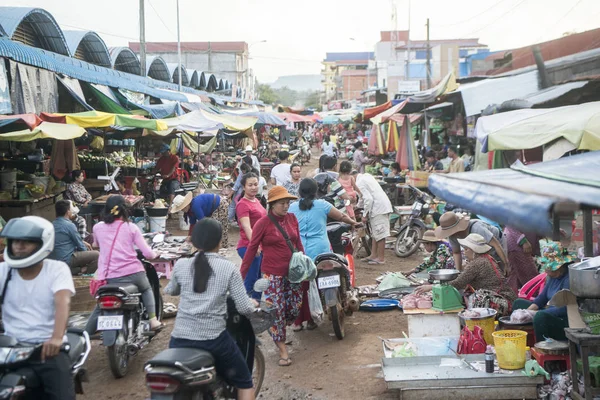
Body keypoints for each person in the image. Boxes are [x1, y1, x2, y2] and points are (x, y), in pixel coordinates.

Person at [165, 219, 257, 400]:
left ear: (193, 241)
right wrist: (253, 305)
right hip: (213, 340)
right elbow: (244, 307)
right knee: (245, 381)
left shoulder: (182, 265)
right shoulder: (228, 268)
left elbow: (171, 290)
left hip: (179, 340)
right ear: (219, 241)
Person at [0, 216, 76, 399]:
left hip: (47, 350)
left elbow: (62, 303)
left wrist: (56, 338)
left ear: (43, 243)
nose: (19, 246)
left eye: (26, 242)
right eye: (16, 241)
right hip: (11, 350)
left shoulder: (57, 270)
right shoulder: (3, 270)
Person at [241, 186, 303, 367]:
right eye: (282, 203)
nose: (286, 206)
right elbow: (252, 250)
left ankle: (280, 331)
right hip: (272, 276)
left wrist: (305, 265)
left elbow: (298, 243)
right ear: (272, 204)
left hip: (293, 273)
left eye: (288, 203)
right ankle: (282, 348)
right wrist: (240, 275)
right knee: (276, 311)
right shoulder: (263, 223)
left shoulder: (292, 218)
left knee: (293, 308)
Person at [85, 195, 163, 335]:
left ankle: (85, 335)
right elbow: (148, 254)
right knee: (146, 289)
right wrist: (155, 253)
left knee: (99, 306)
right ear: (124, 210)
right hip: (133, 273)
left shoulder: (97, 227)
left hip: (108, 276)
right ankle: (152, 320)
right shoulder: (131, 227)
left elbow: (96, 244)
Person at [289, 179, 358, 331]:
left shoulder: (292, 208)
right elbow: (341, 216)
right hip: (322, 250)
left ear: (300, 192)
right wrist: (354, 222)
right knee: (340, 268)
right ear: (316, 191)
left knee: (301, 286)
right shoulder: (323, 205)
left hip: (301, 252)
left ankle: (299, 321)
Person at [415, 233, 517, 315]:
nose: (464, 252)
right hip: (508, 298)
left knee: (475, 299)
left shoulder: (476, 264)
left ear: (474, 250)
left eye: (466, 249)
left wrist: (431, 287)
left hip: (500, 302)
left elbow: (458, 283)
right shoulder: (487, 258)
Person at [512, 242, 576, 341]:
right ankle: (523, 340)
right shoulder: (552, 277)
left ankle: (541, 346)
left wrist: (536, 314)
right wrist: (526, 312)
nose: (546, 270)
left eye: (549, 268)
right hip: (549, 312)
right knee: (518, 303)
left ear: (560, 266)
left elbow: (564, 309)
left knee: (540, 317)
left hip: (564, 322)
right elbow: (541, 298)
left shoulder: (569, 279)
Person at [435, 212, 509, 274]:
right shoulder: (452, 236)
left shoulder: (477, 228)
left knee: (502, 271)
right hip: (479, 251)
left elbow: (496, 244)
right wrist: (458, 271)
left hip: (496, 244)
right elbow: (456, 252)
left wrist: (505, 263)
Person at [236, 172, 267, 300]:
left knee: (259, 280)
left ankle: (256, 306)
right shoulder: (242, 204)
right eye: (250, 185)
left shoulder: (256, 201)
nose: (254, 187)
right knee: (251, 279)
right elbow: (247, 227)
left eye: (255, 184)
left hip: (259, 246)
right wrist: (255, 245)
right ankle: (245, 308)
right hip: (249, 246)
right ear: (244, 187)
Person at [50, 200, 98, 275]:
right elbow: (80, 246)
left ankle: (74, 270)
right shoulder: (69, 225)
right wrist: (86, 255)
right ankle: (81, 271)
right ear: (68, 211)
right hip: (67, 258)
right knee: (97, 255)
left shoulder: (51, 225)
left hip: (54, 260)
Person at [356, 173, 393, 265]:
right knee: (375, 234)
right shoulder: (367, 177)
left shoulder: (359, 182)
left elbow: (368, 199)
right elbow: (362, 197)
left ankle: (380, 258)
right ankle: (373, 255)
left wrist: (364, 215)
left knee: (380, 233)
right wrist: (357, 207)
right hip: (380, 206)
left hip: (378, 208)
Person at [504, 226, 541, 293]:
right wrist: (523, 241)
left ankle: (511, 296)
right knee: (529, 272)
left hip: (515, 243)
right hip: (516, 244)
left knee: (515, 274)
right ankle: (535, 295)